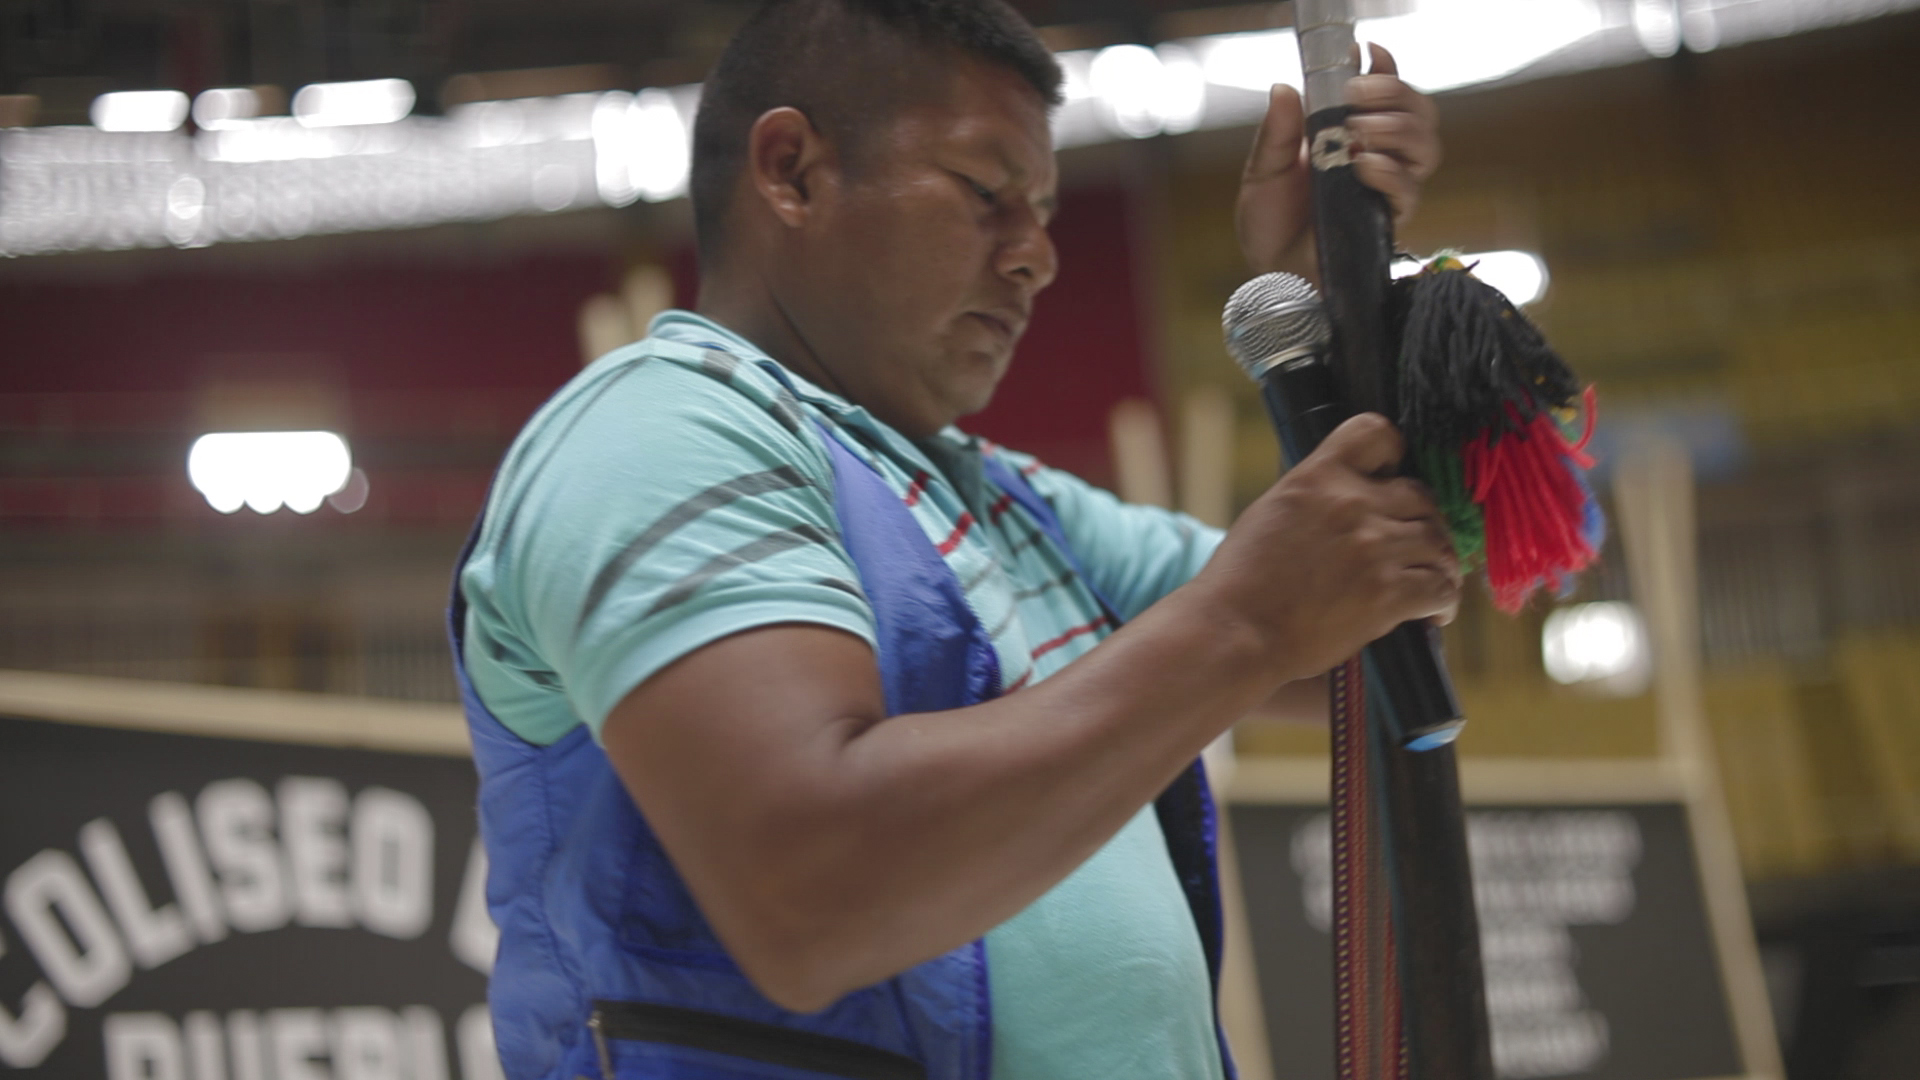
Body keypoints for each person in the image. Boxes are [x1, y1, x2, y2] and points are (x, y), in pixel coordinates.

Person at [451, 1, 1452, 1077]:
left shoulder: (1013, 502)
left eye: (1044, 211)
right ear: (792, 171)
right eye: (985, 192)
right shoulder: (658, 429)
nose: (1038, 258)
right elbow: (810, 898)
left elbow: (1384, 619)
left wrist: (1343, 317)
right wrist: (1243, 623)